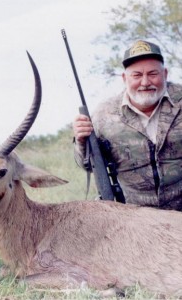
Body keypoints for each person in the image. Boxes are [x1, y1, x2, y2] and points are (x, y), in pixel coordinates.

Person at [73, 39, 182, 210]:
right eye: (137, 75)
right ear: (125, 78)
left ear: (165, 74)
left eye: (153, 74)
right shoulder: (103, 115)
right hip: (134, 217)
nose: (145, 82)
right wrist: (81, 142)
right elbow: (88, 166)